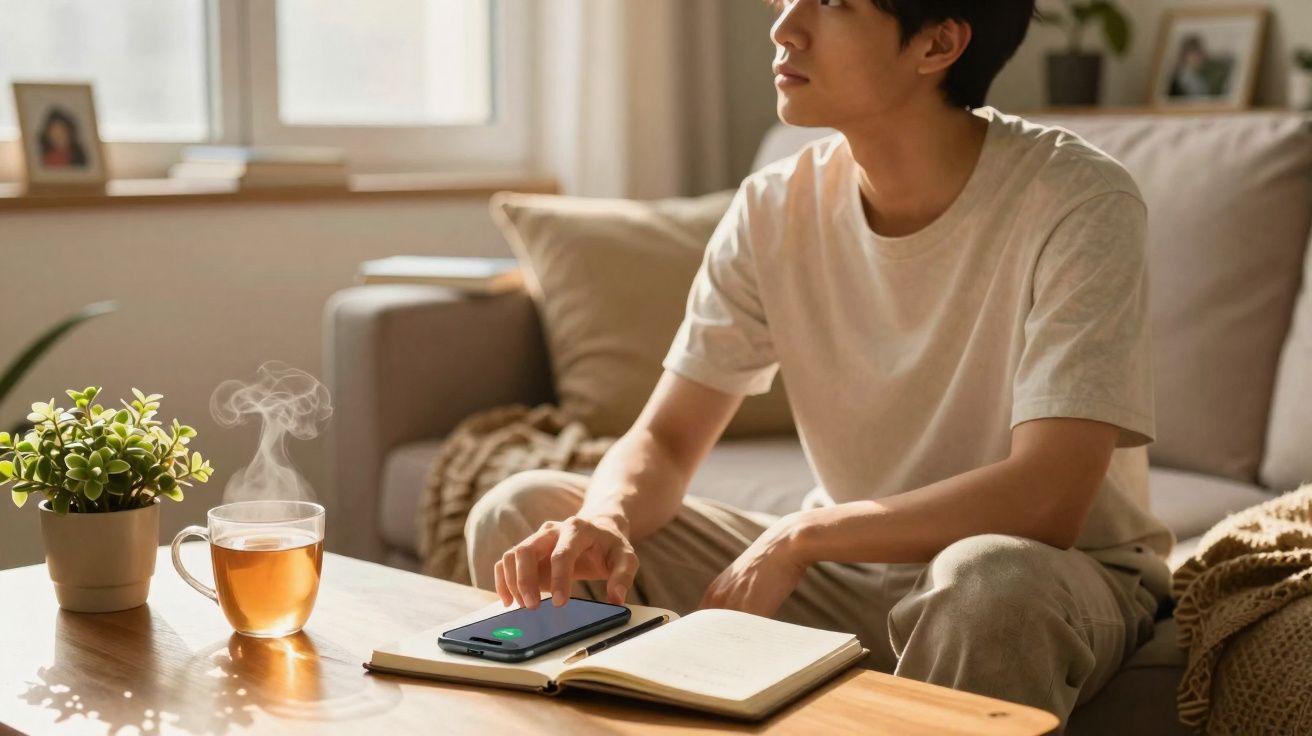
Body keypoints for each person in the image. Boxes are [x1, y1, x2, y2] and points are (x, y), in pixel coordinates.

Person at [465, 0, 1172, 726]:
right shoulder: (773, 205)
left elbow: (1046, 498)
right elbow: (667, 439)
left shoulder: (1079, 198)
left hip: (1049, 577)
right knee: (528, 511)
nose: (783, 27)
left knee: (985, 580)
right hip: (848, 576)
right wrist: (605, 520)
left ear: (938, 42)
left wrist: (801, 537)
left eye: (830, 3)